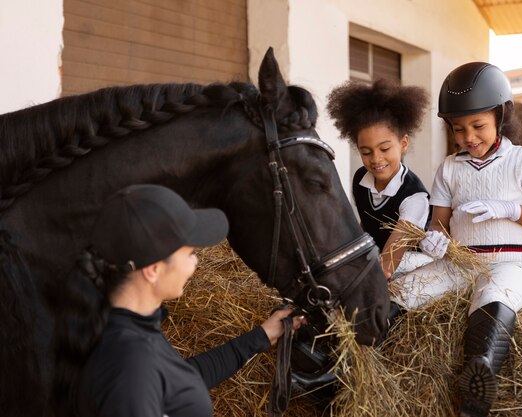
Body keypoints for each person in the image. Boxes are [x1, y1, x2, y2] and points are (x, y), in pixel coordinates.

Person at [394, 62, 522, 417]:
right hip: (459, 263)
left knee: (492, 297)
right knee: (402, 292)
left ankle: (478, 379)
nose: (468, 137)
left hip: (511, 264)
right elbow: (440, 223)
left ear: (500, 117)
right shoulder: (449, 168)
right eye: (458, 129)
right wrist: (433, 241)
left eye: (478, 126)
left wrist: (511, 210)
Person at [50, 184, 304, 417]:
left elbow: (179, 381)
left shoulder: (128, 331)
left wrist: (261, 335)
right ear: (153, 269)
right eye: (191, 253)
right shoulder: (130, 366)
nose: (196, 262)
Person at [326, 78, 433, 283]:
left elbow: (392, 257)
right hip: (376, 257)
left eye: (384, 149)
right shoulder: (360, 179)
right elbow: (366, 225)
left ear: (403, 143)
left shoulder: (414, 197)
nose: (376, 159)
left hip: (409, 264)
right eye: (366, 152)